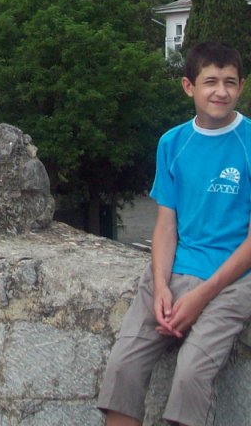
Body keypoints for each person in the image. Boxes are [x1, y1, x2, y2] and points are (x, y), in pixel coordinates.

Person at [98, 40, 251, 426]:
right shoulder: (173, 143)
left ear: (241, 87)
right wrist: (162, 285)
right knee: (123, 367)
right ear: (189, 87)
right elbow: (166, 225)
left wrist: (202, 295)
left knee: (190, 375)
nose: (221, 92)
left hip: (233, 279)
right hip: (177, 269)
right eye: (210, 82)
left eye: (230, 82)